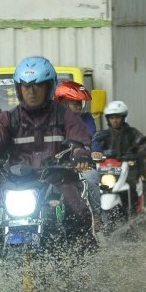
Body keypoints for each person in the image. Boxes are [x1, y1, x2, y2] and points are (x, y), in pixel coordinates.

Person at [0, 56, 95, 237]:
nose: (32, 91)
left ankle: (86, 259)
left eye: (38, 86)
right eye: (26, 86)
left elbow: (80, 138)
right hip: (15, 183)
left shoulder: (65, 116)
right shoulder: (7, 118)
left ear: (49, 87)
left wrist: (81, 154)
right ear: (19, 88)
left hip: (57, 180)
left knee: (79, 212)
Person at [54, 82, 101, 229]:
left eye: (80, 103)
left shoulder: (86, 119)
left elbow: (92, 138)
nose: (79, 107)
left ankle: (97, 217)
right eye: (75, 103)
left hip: (80, 164)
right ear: (63, 103)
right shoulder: (51, 120)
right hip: (54, 167)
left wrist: (93, 152)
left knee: (91, 177)